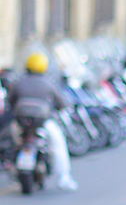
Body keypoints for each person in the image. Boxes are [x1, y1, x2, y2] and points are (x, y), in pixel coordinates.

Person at [6, 52, 78, 190]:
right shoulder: (48, 83)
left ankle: (12, 165)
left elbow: (10, 101)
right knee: (58, 144)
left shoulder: (19, 82)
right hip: (43, 123)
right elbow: (62, 102)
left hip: (20, 123)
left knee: (15, 142)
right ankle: (64, 176)